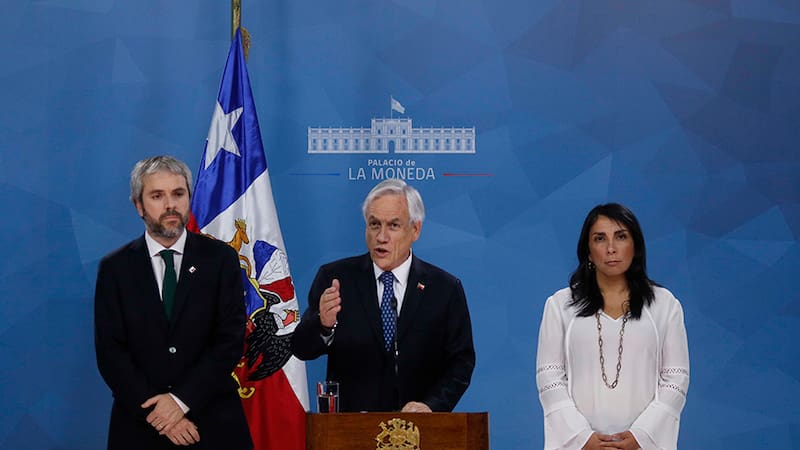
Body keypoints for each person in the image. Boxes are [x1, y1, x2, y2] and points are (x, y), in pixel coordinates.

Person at [94, 156, 252, 449]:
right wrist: (161, 414)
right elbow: (111, 352)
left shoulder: (221, 259)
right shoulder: (115, 268)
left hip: (213, 423)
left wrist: (180, 402)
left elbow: (229, 341)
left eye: (178, 194)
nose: (170, 205)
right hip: (140, 425)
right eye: (157, 196)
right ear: (138, 205)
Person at [292, 178, 475, 412]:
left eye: (393, 226)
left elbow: (461, 362)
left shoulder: (444, 289)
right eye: (374, 224)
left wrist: (431, 406)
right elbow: (301, 348)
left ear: (415, 229)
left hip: (417, 428)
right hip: (351, 427)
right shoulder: (336, 279)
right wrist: (323, 325)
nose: (381, 236)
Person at [535, 203, 689, 450]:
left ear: (635, 246)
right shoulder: (560, 305)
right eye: (600, 238)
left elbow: (676, 377)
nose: (611, 248)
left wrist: (641, 436)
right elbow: (549, 377)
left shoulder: (665, 305)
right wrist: (582, 438)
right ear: (588, 251)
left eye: (620, 237)